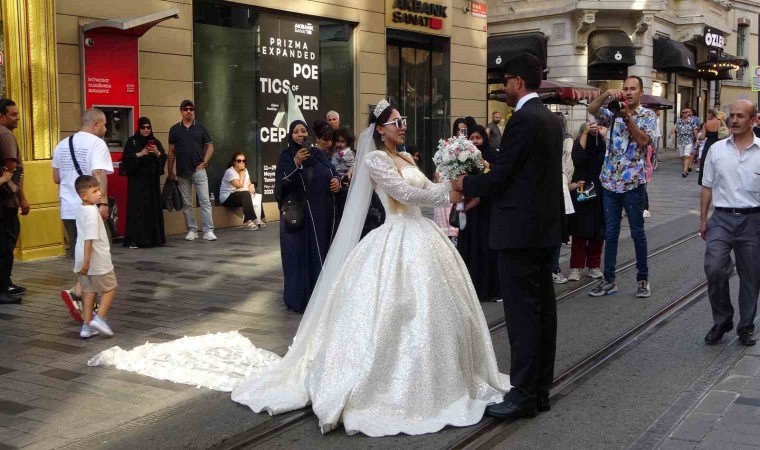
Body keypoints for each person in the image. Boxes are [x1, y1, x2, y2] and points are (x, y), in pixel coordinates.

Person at [90, 100, 510, 436]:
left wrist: (457, 181)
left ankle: (443, 378)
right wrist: (453, 189)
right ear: (379, 129)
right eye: (395, 121)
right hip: (397, 237)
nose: (402, 126)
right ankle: (388, 384)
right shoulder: (377, 162)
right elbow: (407, 195)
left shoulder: (408, 158)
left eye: (401, 120)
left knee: (435, 314)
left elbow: (426, 189)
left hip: (423, 240)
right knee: (393, 313)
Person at [451, 53, 564, 419]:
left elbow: (502, 179)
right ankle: (539, 391)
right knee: (543, 312)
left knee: (522, 317)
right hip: (543, 232)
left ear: (518, 82)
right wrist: (484, 161)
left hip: (519, 234)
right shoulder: (549, 119)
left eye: (505, 82)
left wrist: (465, 181)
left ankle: (523, 394)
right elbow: (521, 170)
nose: (502, 89)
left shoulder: (523, 120)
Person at [587, 76, 655, 298]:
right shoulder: (613, 112)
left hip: (633, 183)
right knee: (611, 232)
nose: (628, 92)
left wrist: (627, 118)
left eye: (633, 89)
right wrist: (607, 94)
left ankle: (642, 279)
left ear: (641, 92)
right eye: (625, 88)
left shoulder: (648, 115)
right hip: (609, 182)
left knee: (637, 232)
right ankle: (609, 280)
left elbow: (644, 141)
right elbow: (592, 109)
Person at [701, 100, 760, 347]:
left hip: (753, 220)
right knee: (714, 268)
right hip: (722, 218)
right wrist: (703, 219)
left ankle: (745, 326)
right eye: (732, 116)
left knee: (751, 277)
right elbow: (707, 185)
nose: (734, 120)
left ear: (753, 120)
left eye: (740, 116)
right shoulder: (717, 150)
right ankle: (722, 320)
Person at [53, 108, 113, 322]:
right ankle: (78, 293)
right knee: (102, 250)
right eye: (104, 124)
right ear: (96, 123)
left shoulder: (61, 144)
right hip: (89, 208)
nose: (106, 129)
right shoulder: (97, 144)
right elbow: (98, 174)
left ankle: (83, 296)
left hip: (69, 208)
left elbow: (57, 178)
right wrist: (103, 202)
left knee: (82, 253)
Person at [275, 120, 340, 313]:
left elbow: (332, 171)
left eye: (303, 131)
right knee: (298, 257)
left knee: (319, 254)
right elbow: (281, 185)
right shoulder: (287, 156)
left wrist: (336, 180)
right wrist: (296, 163)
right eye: (296, 132)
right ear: (290, 135)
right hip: (298, 218)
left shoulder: (318, 154)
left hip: (320, 216)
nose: (300, 135)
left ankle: (319, 298)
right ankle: (298, 300)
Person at [457, 125, 500, 302]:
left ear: (484, 138)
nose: (475, 141)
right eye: (472, 138)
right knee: (469, 247)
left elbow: (498, 176)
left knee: (484, 248)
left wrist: (486, 164)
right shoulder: (464, 157)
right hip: (469, 211)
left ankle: (489, 289)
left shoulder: (491, 154)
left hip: (486, 211)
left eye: (478, 138)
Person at [73, 175, 116, 339]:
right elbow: (89, 239)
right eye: (95, 191)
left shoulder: (81, 209)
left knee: (88, 291)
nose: (99, 193)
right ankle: (99, 318)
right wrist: (87, 262)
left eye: (99, 189)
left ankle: (87, 325)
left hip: (81, 258)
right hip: (96, 260)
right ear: (84, 195)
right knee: (110, 288)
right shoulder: (92, 212)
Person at [167, 99, 216, 242]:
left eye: (191, 109)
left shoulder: (200, 128)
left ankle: (208, 230)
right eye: (186, 109)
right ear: (181, 111)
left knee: (205, 201)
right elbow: (171, 152)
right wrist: (170, 171)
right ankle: (192, 229)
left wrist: (204, 162)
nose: (189, 111)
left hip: (199, 170)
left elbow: (210, 146)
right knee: (187, 203)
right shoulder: (174, 129)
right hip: (182, 172)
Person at [567, 122, 606, 282]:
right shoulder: (579, 144)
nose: (593, 131)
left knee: (598, 231)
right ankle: (576, 267)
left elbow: (611, 154)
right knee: (580, 230)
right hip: (582, 188)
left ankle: (594, 266)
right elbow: (578, 157)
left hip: (600, 189)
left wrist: (604, 135)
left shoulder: (603, 145)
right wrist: (584, 132)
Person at [120, 117, 167, 248]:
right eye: (143, 128)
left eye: (148, 127)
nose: (146, 130)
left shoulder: (155, 142)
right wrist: (141, 153)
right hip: (137, 183)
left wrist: (157, 152)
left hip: (152, 182)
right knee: (138, 210)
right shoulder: (132, 141)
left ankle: (154, 239)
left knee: (152, 208)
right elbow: (126, 159)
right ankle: (136, 240)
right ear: (139, 128)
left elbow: (163, 158)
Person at [0, 99, 28, 304]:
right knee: (6, 244)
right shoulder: (6, 135)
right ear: (2, 116)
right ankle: (4, 287)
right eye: (13, 114)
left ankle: (5, 283)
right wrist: (22, 198)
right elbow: (13, 171)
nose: (17, 118)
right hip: (5, 200)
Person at [551, 113, 575, 284]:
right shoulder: (567, 141)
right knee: (558, 232)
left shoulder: (546, 139)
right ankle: (554, 269)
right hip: (561, 187)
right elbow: (569, 166)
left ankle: (550, 268)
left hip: (548, 188)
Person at [220, 151, 265, 230]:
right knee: (245, 194)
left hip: (240, 195)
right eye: (239, 161)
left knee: (256, 192)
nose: (242, 162)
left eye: (243, 161)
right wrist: (241, 172)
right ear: (234, 162)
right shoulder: (229, 172)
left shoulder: (245, 170)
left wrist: (252, 186)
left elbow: (249, 183)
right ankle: (247, 222)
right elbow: (239, 185)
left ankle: (258, 219)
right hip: (227, 197)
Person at [670, 108, 698, 177]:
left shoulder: (691, 121)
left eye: (686, 112)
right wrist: (670, 133)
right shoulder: (679, 121)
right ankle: (684, 170)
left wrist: (697, 138)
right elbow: (675, 127)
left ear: (688, 113)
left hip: (689, 140)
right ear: (682, 114)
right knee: (682, 157)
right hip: (680, 140)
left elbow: (694, 129)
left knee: (686, 155)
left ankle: (685, 170)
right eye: (683, 112)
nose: (685, 114)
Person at [697, 109, 721, 186]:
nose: (707, 115)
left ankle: (704, 181)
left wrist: (699, 137)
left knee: (705, 162)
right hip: (719, 143)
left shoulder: (706, 124)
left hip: (709, 144)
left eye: (708, 114)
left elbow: (703, 137)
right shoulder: (720, 122)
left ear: (711, 114)